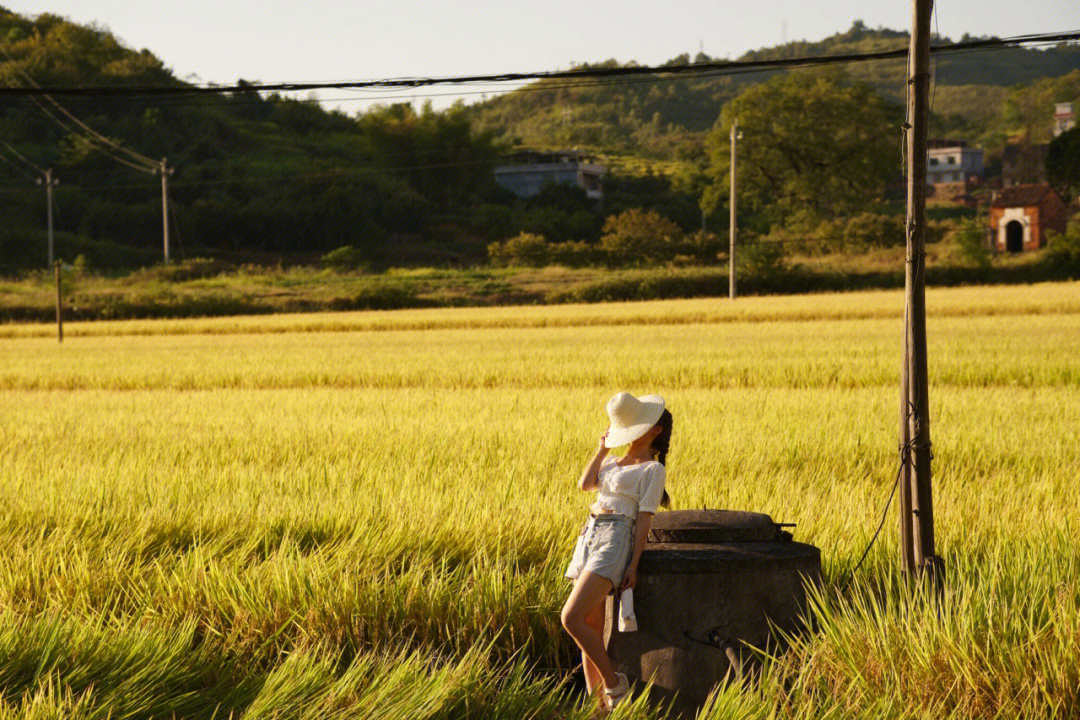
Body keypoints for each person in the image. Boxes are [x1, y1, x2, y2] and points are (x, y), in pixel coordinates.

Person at [561, 391, 672, 710]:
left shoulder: (652, 470)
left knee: (571, 617)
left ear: (655, 431)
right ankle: (597, 709)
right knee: (590, 628)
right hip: (589, 534)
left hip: (615, 538)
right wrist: (601, 450)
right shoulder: (610, 461)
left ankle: (614, 685)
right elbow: (585, 485)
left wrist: (633, 565)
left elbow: (643, 522)